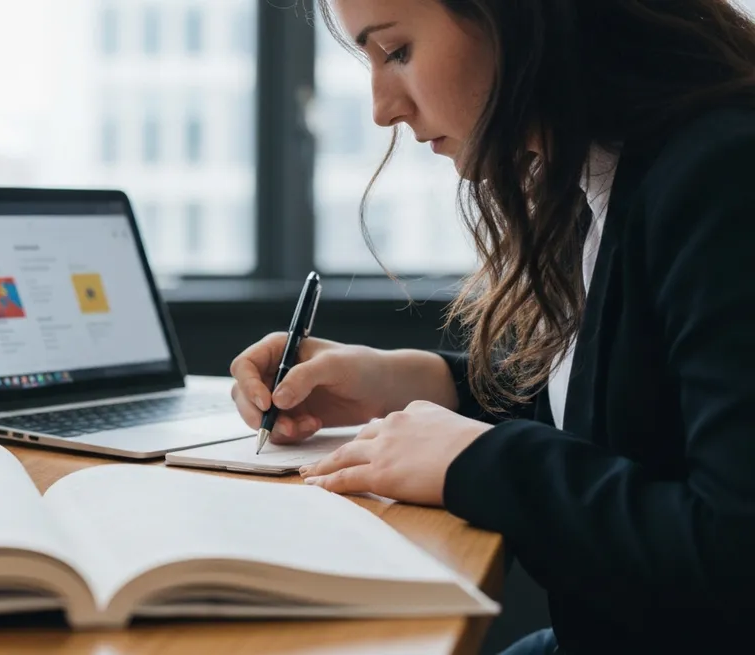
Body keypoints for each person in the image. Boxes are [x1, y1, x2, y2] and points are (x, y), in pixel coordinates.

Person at [229, 1, 755, 653]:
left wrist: (475, 458)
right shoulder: (606, 172)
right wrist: (409, 380)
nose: (382, 109)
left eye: (397, 52)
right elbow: (627, 413)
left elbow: (735, 554)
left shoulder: (723, 175)